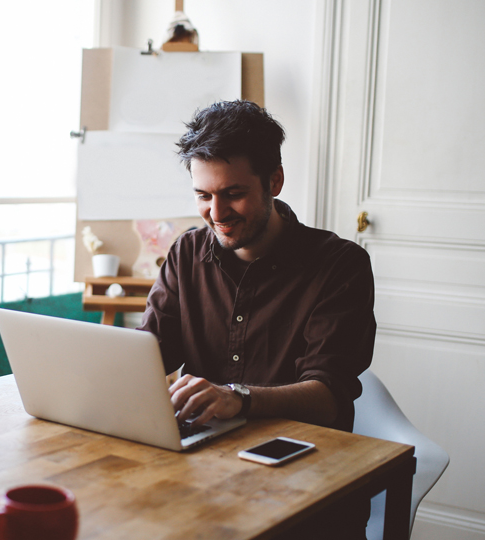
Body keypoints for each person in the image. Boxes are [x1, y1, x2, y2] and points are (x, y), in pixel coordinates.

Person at [139, 100, 375, 538]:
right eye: (203, 196)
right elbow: (148, 355)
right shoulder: (186, 253)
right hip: (206, 474)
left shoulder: (341, 265)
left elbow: (330, 395)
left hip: (307, 484)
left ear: (275, 182)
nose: (217, 213)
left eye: (233, 193)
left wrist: (238, 398)